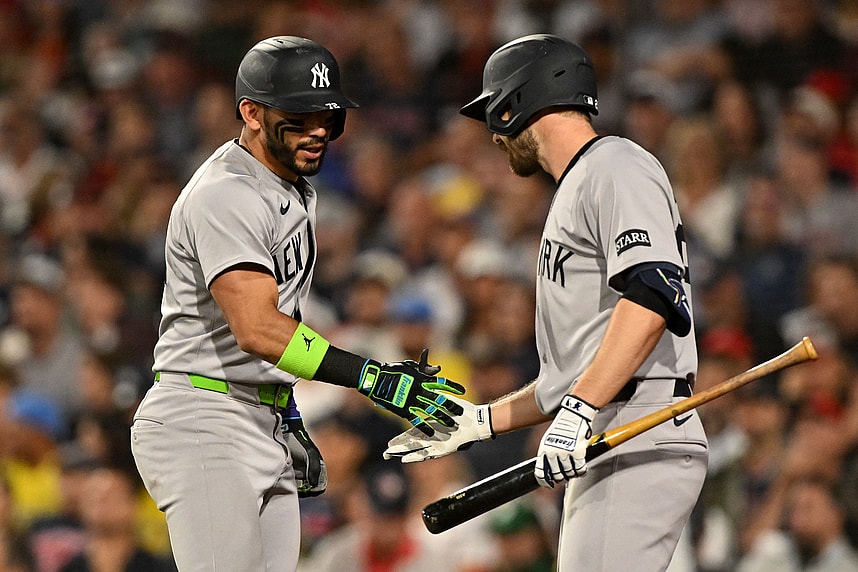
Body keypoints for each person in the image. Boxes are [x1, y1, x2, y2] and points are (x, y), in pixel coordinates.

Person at [129, 36, 466, 572]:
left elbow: (279, 318)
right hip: (204, 417)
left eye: (327, 117)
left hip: (258, 412)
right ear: (252, 113)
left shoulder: (289, 185)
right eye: (299, 116)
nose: (317, 131)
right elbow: (258, 329)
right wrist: (370, 376)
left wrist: (283, 404)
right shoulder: (228, 193)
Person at [385, 34, 708, 571]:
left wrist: (580, 410)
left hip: (639, 423)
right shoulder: (580, 183)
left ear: (517, 103)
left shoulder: (614, 164)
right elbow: (574, 372)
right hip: (610, 430)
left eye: (494, 111)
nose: (492, 133)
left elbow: (653, 294)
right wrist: (482, 421)